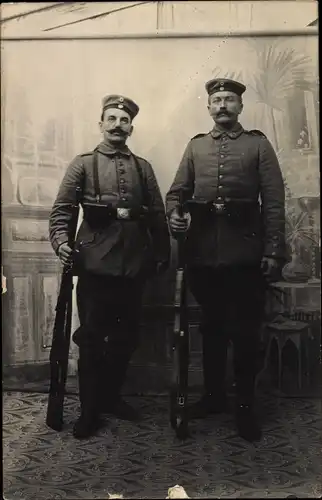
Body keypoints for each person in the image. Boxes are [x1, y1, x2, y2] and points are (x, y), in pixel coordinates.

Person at [165, 78, 286, 442]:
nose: (222, 106)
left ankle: (245, 407)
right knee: (213, 329)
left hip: (245, 255)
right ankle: (214, 397)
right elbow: (176, 194)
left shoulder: (258, 145)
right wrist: (174, 214)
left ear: (240, 106)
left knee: (246, 333)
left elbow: (275, 202)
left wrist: (273, 250)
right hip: (203, 256)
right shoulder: (195, 147)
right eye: (216, 100)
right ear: (208, 107)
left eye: (229, 100)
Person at [49, 94, 170, 439]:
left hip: (133, 269)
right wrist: (61, 244)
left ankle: (111, 398)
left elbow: (158, 215)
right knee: (91, 341)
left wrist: (160, 252)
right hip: (94, 268)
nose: (118, 125)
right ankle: (89, 412)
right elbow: (61, 212)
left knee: (126, 339)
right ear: (100, 124)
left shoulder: (142, 167)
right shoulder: (83, 164)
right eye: (112, 119)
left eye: (124, 120)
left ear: (132, 127)